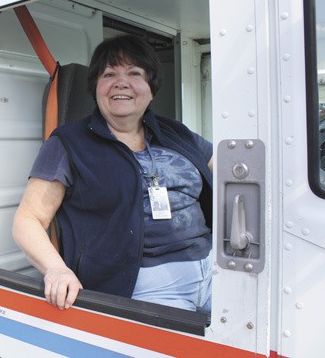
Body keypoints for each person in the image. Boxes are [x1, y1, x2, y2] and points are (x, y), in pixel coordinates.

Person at [12, 34, 213, 313]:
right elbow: (28, 219)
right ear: (96, 87)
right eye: (109, 74)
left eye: (134, 73)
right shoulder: (69, 144)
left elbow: (229, 171)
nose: (122, 82)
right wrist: (56, 270)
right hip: (143, 287)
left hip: (214, 270)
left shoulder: (175, 132)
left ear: (150, 87)